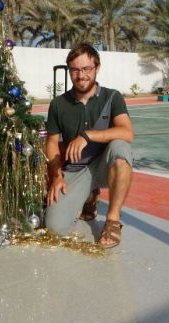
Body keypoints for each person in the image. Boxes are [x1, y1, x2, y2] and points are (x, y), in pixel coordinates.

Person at [44, 43, 134, 248]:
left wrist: (87, 135)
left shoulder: (112, 97)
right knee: (54, 227)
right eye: (75, 70)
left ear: (97, 68)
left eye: (86, 69)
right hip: (75, 170)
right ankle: (90, 197)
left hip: (104, 166)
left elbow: (127, 132)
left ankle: (112, 220)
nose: (81, 75)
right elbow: (51, 143)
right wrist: (56, 177)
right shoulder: (58, 104)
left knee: (121, 148)